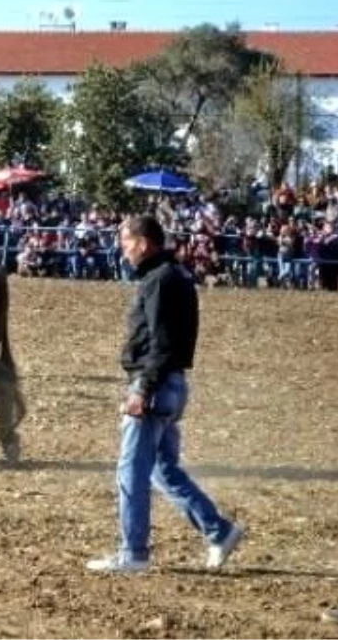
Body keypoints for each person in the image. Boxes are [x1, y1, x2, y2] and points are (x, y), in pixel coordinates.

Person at [86, 216, 244, 574]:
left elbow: (161, 343)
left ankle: (133, 554)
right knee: (162, 469)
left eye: (126, 243)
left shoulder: (158, 281)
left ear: (143, 243)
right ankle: (219, 531)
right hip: (172, 386)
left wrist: (142, 388)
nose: (122, 251)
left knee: (131, 472)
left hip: (154, 387)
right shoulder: (175, 276)